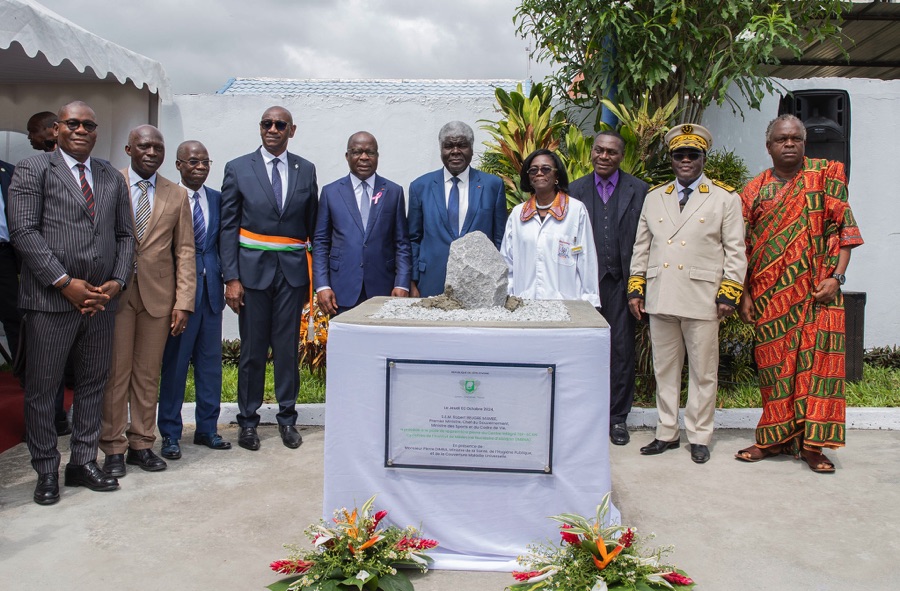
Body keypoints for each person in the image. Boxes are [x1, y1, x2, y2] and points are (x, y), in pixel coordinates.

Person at [8, 100, 134, 504]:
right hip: (51, 301)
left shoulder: (110, 176)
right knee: (43, 390)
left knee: (93, 384)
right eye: (73, 123)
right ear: (58, 129)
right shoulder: (33, 169)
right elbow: (24, 231)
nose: (81, 130)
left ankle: (82, 461)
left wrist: (116, 282)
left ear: (96, 132)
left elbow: (125, 236)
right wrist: (64, 283)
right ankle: (46, 469)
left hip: (100, 301)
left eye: (89, 125)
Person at [735, 114, 863, 473]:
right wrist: (744, 295)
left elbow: (846, 233)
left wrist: (837, 278)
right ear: (769, 146)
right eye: (782, 139)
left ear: (804, 143)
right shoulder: (754, 190)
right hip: (770, 298)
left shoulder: (825, 179)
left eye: (795, 139)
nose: (789, 144)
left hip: (818, 295)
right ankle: (772, 440)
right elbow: (741, 248)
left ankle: (813, 447)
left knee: (816, 371)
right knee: (774, 372)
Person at [628, 124, 747, 464]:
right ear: (671, 159)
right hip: (662, 293)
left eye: (692, 154)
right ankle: (666, 431)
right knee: (664, 369)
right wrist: (636, 287)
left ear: (703, 158)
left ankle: (699, 435)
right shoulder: (655, 197)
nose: (685, 160)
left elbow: (735, 251)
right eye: (679, 154)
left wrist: (729, 292)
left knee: (703, 371)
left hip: (702, 296)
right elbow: (642, 247)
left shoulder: (724, 198)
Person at [220, 106, 318, 451]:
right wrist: (231, 278)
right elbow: (228, 226)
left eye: (280, 125)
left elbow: (312, 227)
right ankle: (248, 421)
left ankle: (287, 419)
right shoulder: (237, 168)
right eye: (266, 123)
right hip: (251, 275)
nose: (272, 129)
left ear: (292, 130)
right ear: (260, 127)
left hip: (291, 276)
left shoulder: (305, 170)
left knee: (288, 350)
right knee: (252, 351)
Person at [99, 125, 195, 477]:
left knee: (146, 375)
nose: (152, 152)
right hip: (117, 295)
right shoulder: (110, 184)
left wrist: (183, 301)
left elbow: (185, 251)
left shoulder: (176, 194)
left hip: (159, 298)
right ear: (128, 149)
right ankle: (112, 448)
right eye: (144, 146)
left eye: (158, 147)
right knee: (115, 374)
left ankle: (141, 443)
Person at [569, 131, 649, 446]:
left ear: (621, 156)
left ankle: (617, 418)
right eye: (599, 150)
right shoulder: (573, 191)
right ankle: (585, 417)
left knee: (621, 351)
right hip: (586, 286)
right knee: (585, 350)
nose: (604, 156)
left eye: (611, 152)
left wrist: (639, 286)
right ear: (592, 152)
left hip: (623, 284)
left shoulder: (639, 190)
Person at [158, 141, 230, 460]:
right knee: (175, 366)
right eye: (193, 162)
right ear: (178, 165)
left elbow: (223, 244)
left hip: (213, 293)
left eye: (205, 162)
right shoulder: (167, 197)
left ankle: (207, 429)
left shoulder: (217, 199)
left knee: (210, 365)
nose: (200, 167)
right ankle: (171, 434)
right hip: (179, 297)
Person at [313, 131, 411, 314]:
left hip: (385, 289)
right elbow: (320, 243)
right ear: (347, 156)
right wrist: (322, 286)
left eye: (370, 152)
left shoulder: (393, 192)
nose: (364, 157)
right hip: (341, 289)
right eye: (357, 152)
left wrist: (402, 283)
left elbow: (402, 243)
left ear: (377, 156)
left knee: (382, 342)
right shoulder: (331, 192)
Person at [407, 121, 507, 297]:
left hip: (481, 282)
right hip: (431, 279)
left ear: (471, 149)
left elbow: (500, 238)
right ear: (441, 149)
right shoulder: (420, 187)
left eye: (462, 145)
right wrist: (412, 281)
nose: (455, 151)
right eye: (449, 146)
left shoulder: (493, 186)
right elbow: (413, 238)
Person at [501, 149, 600, 306]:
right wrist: (508, 297)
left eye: (546, 169)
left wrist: (591, 301)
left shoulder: (575, 210)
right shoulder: (517, 214)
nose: (539, 173)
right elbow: (507, 262)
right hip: (525, 305)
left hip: (566, 306)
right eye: (533, 170)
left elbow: (586, 259)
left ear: (557, 175)